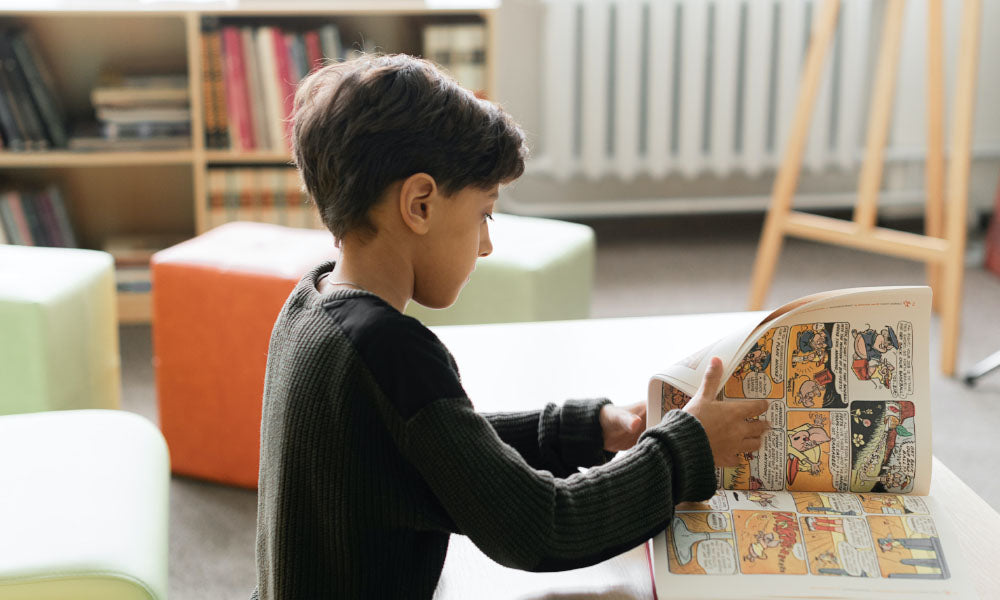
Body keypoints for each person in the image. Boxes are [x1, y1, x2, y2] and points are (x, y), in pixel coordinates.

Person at [251, 53, 771, 599]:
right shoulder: (394, 353)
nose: (486, 243)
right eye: (484, 214)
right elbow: (544, 527)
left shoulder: (309, 307)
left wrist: (583, 430)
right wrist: (686, 447)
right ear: (420, 204)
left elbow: (430, 449)